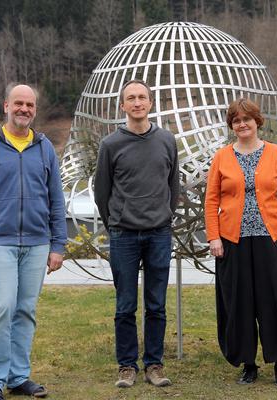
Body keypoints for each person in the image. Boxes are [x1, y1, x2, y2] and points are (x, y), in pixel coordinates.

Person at [0, 83, 67, 400]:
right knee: (2, 309)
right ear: (6, 106)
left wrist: (58, 245)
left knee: (25, 311)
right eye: (18, 103)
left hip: (37, 244)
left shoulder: (44, 147)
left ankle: (18, 377)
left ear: (35, 109)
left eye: (30, 105)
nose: (24, 109)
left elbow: (57, 201)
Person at [204, 98, 277, 386]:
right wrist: (214, 237)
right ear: (231, 126)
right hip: (232, 241)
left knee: (276, 301)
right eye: (236, 121)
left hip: (270, 239)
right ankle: (248, 363)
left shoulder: (275, 153)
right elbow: (211, 200)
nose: (242, 124)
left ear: (257, 121)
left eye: (247, 119)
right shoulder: (222, 157)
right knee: (240, 303)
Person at [94, 79, 179, 388]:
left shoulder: (167, 140)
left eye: (142, 97)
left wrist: (164, 217)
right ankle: (127, 365)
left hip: (158, 232)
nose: (137, 102)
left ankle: (154, 365)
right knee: (125, 304)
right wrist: (116, 222)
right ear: (123, 105)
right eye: (131, 98)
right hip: (124, 236)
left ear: (150, 103)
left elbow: (174, 186)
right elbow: (101, 192)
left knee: (156, 303)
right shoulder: (110, 145)